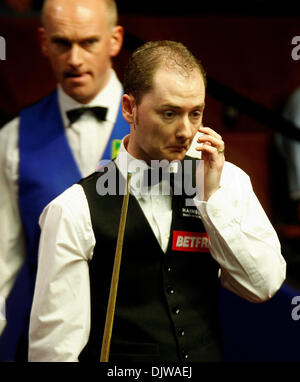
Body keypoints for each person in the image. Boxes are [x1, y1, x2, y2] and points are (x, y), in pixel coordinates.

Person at [28, 40, 286, 362]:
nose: (186, 131)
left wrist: (212, 200)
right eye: (169, 113)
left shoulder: (224, 181)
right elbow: (54, 352)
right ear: (129, 109)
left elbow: (262, 286)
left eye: (196, 113)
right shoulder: (74, 209)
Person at [0, 0, 129, 361]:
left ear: (115, 40)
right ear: (43, 42)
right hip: (47, 346)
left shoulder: (166, 134)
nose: (74, 59)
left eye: (88, 42)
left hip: (140, 349)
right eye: (61, 43)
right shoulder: (13, 138)